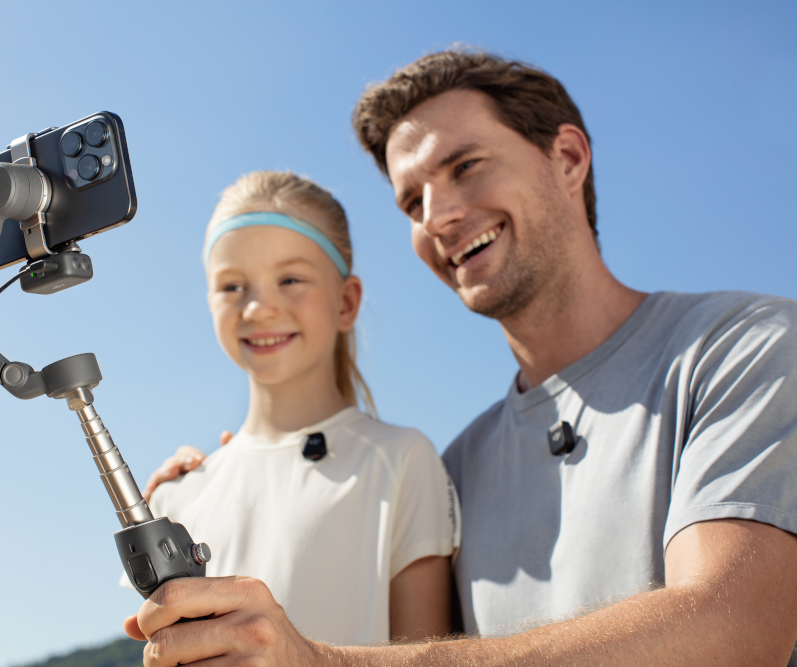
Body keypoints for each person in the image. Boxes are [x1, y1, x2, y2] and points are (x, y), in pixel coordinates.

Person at [125, 50, 797, 666]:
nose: (438, 215)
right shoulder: (457, 470)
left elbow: (732, 630)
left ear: (567, 158)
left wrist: (322, 662)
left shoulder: (746, 348)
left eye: (465, 167)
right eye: (412, 201)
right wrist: (233, 477)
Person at [123, 171, 460, 646]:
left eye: (290, 279)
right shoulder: (177, 496)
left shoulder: (401, 460)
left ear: (347, 302)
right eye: (232, 286)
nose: (258, 308)